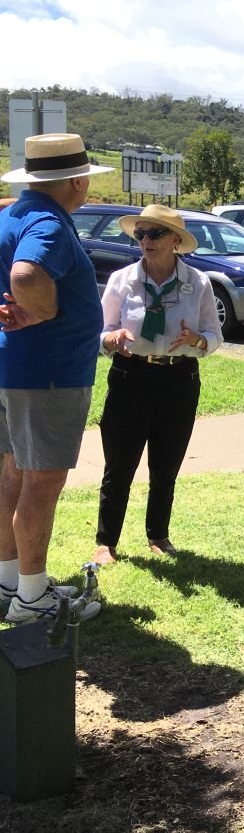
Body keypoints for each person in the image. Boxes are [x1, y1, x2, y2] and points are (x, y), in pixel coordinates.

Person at [0, 133, 112, 624]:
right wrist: (40, 312)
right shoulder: (47, 220)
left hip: (13, 369)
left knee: (10, 476)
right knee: (41, 484)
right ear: (75, 181)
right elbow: (25, 275)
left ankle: (10, 583)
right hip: (48, 376)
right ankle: (32, 600)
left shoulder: (10, 215)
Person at [93, 205, 223, 565]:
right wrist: (111, 338)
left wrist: (198, 340)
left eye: (155, 234)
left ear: (175, 241)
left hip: (178, 379)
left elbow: (215, 335)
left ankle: (158, 535)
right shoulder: (122, 280)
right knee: (119, 464)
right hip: (129, 376)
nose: (145, 241)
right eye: (140, 234)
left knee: (166, 464)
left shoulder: (198, 282)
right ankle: (106, 542)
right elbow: (100, 332)